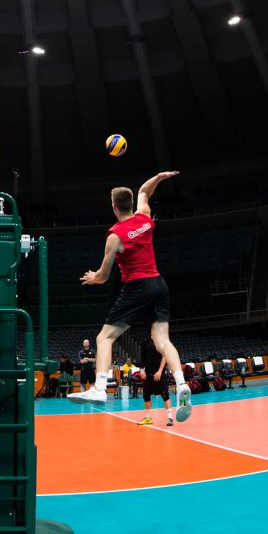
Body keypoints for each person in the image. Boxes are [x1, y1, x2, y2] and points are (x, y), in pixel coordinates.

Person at [69, 171, 192, 423]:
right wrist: (159, 177)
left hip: (137, 286)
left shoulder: (115, 236)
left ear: (114, 207)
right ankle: (181, 384)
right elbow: (145, 191)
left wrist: (94, 277)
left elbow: (104, 276)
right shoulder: (144, 218)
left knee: (104, 337)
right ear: (131, 203)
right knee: (162, 340)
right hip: (159, 284)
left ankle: (100, 388)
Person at [136, 339, 175, 427]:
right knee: (146, 396)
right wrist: (141, 369)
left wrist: (160, 371)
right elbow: (142, 358)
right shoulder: (145, 342)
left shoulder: (162, 341)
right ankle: (148, 418)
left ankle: (170, 418)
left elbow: (165, 356)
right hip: (148, 373)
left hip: (160, 374)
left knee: (165, 395)